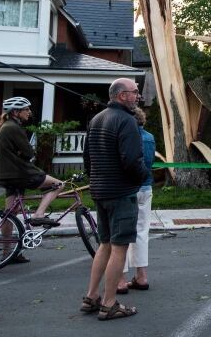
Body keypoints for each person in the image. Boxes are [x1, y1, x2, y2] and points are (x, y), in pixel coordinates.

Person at [80, 78, 149, 320]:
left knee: (105, 244)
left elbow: (87, 158)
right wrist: (143, 176)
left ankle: (91, 297)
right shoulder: (127, 121)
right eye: (135, 92)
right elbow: (132, 160)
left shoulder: (97, 119)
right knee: (119, 248)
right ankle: (109, 303)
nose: (138, 95)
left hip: (100, 191)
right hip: (121, 192)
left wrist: (96, 179)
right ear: (122, 96)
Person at [0, 96, 63, 264]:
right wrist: (25, 153)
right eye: (26, 109)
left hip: (7, 175)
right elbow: (29, 153)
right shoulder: (14, 128)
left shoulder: (6, 126)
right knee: (58, 185)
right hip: (21, 173)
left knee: (10, 214)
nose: (29, 112)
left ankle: (8, 253)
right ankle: (39, 214)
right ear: (16, 112)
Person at [117, 108, 155, 294]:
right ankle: (142, 276)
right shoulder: (149, 138)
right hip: (145, 187)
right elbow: (149, 163)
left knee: (121, 234)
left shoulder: (124, 137)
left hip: (126, 188)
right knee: (141, 232)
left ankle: (121, 279)